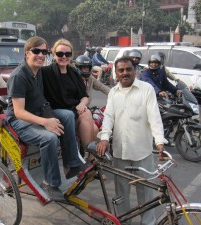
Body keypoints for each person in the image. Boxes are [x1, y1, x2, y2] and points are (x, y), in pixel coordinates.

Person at [6, 36, 84, 201]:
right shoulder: (19, 76)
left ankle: (71, 163)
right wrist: (46, 122)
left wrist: (51, 117)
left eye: (44, 52)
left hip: (38, 112)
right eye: (36, 51)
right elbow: (19, 112)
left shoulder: (39, 72)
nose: (41, 55)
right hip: (20, 121)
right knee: (49, 138)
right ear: (27, 53)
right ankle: (50, 182)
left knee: (68, 115)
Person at [96, 56, 167, 225]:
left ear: (135, 70)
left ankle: (148, 223)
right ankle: (123, 222)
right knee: (121, 195)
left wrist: (160, 142)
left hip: (143, 153)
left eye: (128, 69)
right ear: (116, 74)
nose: (125, 73)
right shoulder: (114, 92)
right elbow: (109, 117)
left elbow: (154, 118)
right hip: (120, 153)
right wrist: (104, 138)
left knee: (146, 194)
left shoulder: (146, 89)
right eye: (121, 70)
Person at [41, 39, 95, 157]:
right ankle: (90, 159)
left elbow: (84, 96)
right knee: (86, 116)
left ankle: (90, 158)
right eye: (60, 54)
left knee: (94, 126)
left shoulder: (74, 72)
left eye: (67, 54)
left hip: (75, 110)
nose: (64, 57)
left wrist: (82, 104)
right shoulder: (46, 72)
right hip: (58, 112)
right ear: (54, 54)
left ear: (71, 55)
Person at [75, 55, 110, 159]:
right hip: (77, 111)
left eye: (87, 67)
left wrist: (116, 94)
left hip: (87, 110)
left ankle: (92, 157)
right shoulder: (74, 78)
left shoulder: (90, 78)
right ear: (78, 68)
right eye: (83, 68)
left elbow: (101, 87)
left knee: (95, 129)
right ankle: (89, 154)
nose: (86, 69)